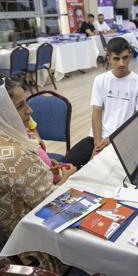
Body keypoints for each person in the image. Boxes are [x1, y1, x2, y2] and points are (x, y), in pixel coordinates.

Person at [0, 77, 74, 274]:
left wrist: (41, 172)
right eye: (20, 106)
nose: (29, 111)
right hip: (35, 253)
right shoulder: (16, 155)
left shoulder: (9, 144)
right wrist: (70, 175)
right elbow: (54, 204)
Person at [62, 37, 138, 167]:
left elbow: (137, 120)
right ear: (108, 58)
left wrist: (110, 140)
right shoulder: (100, 80)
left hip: (124, 139)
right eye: (116, 58)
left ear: (130, 56)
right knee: (64, 166)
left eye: (125, 57)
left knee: (105, 171)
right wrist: (97, 145)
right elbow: (96, 113)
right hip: (97, 138)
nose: (121, 63)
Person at [4, 79, 77, 181]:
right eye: (20, 106)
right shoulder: (18, 154)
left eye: (26, 102)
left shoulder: (24, 135)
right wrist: (67, 177)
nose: (30, 110)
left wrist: (45, 163)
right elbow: (46, 196)